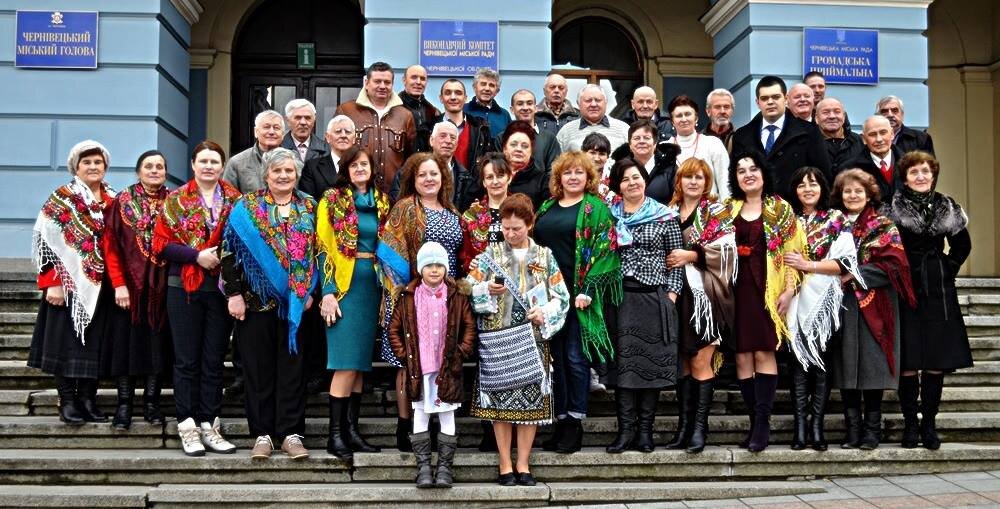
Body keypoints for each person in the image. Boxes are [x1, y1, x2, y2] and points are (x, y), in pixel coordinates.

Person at [466, 193, 570, 486]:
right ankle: (504, 463)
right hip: (498, 337)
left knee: (529, 406)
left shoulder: (545, 257)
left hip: (532, 337)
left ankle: (523, 463)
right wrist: (486, 288)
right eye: (506, 228)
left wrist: (544, 312)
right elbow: (467, 288)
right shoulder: (489, 256)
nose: (510, 234)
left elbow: (561, 297)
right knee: (500, 404)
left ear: (530, 224)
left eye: (517, 228)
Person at [221, 147, 316, 461]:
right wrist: (234, 294)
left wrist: (312, 289)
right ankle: (262, 435)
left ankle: (291, 434)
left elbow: (321, 253)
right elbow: (228, 251)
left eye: (289, 171)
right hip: (254, 303)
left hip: (296, 306)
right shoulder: (246, 206)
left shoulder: (310, 207)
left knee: (293, 370)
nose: (284, 176)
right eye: (277, 171)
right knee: (258, 370)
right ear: (266, 174)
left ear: (296, 174)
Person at [153, 140, 241, 456]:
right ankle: (188, 425)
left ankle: (210, 423)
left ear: (222, 166)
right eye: (202, 161)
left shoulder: (235, 200)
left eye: (214, 161)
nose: (208, 166)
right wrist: (196, 256)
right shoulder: (175, 200)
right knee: (187, 360)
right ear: (193, 165)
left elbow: (242, 243)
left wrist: (220, 259)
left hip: (220, 290)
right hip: (184, 288)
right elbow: (161, 244)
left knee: (214, 359)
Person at [534, 151, 621, 454]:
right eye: (567, 172)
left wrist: (588, 288)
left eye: (579, 173)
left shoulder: (596, 209)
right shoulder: (546, 207)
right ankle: (559, 422)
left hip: (578, 298)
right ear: (558, 177)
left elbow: (605, 251)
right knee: (553, 362)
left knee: (574, 359)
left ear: (588, 177)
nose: (573, 177)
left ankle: (574, 424)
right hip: (547, 300)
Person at [886, 151, 973, 450]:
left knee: (935, 359)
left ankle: (929, 425)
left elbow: (963, 244)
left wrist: (947, 267)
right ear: (905, 176)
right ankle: (910, 424)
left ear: (933, 174)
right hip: (905, 283)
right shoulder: (892, 207)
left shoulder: (947, 206)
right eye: (914, 172)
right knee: (909, 359)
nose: (921, 176)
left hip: (937, 288)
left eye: (925, 171)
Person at [377, 152, 463, 452]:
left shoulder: (452, 211)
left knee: (439, 359)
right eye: (422, 174)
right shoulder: (404, 209)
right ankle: (406, 426)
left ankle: (441, 425)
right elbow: (389, 254)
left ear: (443, 178)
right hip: (412, 298)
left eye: (434, 174)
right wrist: (406, 296)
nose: (429, 179)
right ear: (413, 180)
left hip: (446, 299)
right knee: (409, 362)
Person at [30, 140, 116, 426]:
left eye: (98, 162)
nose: (93, 167)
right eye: (87, 162)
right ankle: (67, 400)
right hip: (66, 287)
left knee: (95, 345)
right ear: (76, 167)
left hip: (101, 288)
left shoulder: (113, 199)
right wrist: (52, 282)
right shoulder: (61, 199)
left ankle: (88, 399)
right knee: (64, 343)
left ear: (105, 166)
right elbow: (46, 242)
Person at [829, 169, 916, 450]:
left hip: (873, 304)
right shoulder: (831, 225)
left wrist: (856, 274)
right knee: (845, 367)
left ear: (869, 195)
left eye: (858, 191)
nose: (852, 195)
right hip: (840, 303)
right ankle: (852, 430)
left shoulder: (883, 225)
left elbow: (895, 264)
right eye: (847, 191)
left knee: (871, 367)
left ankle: (871, 431)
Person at [727, 151, 805, 452]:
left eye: (753, 169)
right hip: (736, 291)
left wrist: (788, 290)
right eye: (741, 170)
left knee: (763, 353)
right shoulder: (726, 209)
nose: (748, 174)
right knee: (743, 357)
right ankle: (752, 419)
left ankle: (762, 423)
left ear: (764, 174)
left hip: (767, 290)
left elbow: (794, 253)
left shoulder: (779, 209)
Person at [605, 158, 683, 454]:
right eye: (625, 179)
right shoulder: (609, 216)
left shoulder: (664, 216)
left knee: (650, 368)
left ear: (645, 179)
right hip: (620, 298)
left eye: (636, 177)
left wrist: (671, 297)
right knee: (624, 367)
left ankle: (645, 433)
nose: (632, 183)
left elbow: (676, 260)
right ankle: (625, 432)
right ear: (618, 185)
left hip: (654, 298)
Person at [315, 145, 389, 461]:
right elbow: (322, 246)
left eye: (365, 164)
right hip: (344, 287)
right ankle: (335, 435)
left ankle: (352, 431)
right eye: (354, 164)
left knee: (360, 364)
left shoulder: (383, 201)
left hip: (372, 286)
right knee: (345, 362)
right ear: (345, 169)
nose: (360, 169)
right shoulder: (331, 200)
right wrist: (328, 292)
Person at [782, 167, 861, 451]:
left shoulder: (835, 219)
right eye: (802, 185)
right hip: (792, 298)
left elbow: (845, 263)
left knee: (821, 363)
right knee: (798, 364)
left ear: (822, 188)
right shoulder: (786, 220)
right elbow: (778, 259)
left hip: (825, 299)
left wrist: (809, 266)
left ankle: (817, 426)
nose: (807, 190)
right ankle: (800, 428)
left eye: (813, 184)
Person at [388, 242, 476, 489]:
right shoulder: (408, 296)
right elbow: (394, 329)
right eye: (429, 265)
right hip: (420, 369)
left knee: (447, 414)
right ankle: (424, 468)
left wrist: (460, 352)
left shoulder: (456, 296)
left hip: (447, 369)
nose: (435, 270)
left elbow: (469, 326)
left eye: (439, 265)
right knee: (421, 414)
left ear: (446, 268)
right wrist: (406, 356)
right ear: (420, 268)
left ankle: (445, 468)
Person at [664, 158, 737, 454]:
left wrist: (691, 256)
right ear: (679, 181)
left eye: (699, 177)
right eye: (688, 177)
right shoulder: (666, 213)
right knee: (682, 363)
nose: (693, 182)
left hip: (706, 298)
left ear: (707, 182)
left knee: (700, 361)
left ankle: (699, 430)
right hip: (675, 295)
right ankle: (683, 429)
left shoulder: (717, 212)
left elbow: (729, 253)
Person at [101, 150, 171, 431]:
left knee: (156, 348)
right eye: (148, 166)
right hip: (127, 289)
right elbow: (112, 245)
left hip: (161, 289)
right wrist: (118, 284)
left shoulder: (174, 202)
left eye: (160, 166)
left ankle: (152, 404)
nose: (154, 171)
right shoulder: (122, 201)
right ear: (138, 171)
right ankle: (124, 405)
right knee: (125, 348)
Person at [731, 75, 831, 199]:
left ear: (786, 98)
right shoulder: (742, 135)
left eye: (776, 97)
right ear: (757, 102)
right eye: (764, 98)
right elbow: (735, 178)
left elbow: (822, 175)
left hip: (796, 209)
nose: (770, 102)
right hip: (755, 209)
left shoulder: (809, 131)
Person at [335, 61, 417, 195]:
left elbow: (410, 158)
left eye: (387, 82)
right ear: (366, 83)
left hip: (394, 194)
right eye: (377, 81)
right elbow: (336, 152)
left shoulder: (405, 115)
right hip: (354, 193)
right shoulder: (346, 111)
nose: (382, 86)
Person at [390, 122, 480, 211]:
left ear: (456, 145)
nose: (448, 141)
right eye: (443, 136)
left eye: (452, 138)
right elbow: (397, 208)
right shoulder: (408, 172)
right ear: (431, 141)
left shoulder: (467, 179)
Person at [664, 95, 730, 199]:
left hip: (710, 211)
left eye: (688, 114)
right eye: (679, 115)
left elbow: (725, 182)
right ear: (672, 121)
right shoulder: (664, 148)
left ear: (696, 118)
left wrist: (726, 212)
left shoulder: (713, 143)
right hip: (676, 211)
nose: (684, 119)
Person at [459, 153, 511, 272]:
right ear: (483, 182)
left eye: (500, 175)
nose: (495, 181)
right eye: (489, 177)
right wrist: (469, 263)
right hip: (482, 283)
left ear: (509, 177)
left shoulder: (521, 210)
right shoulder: (470, 215)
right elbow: (464, 256)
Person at [610, 120, 681, 205]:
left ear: (655, 143)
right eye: (637, 138)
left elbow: (678, 198)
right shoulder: (619, 168)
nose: (641, 141)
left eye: (646, 138)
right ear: (630, 145)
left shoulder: (670, 167)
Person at [437, 79, 495, 171]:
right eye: (448, 93)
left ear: (465, 98)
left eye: (458, 93)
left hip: (472, 184)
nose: (453, 97)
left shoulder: (481, 128)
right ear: (441, 98)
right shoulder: (429, 128)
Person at [223, 109, 285, 193]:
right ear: (256, 132)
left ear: (283, 134)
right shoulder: (237, 163)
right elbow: (229, 200)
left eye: (276, 128)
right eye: (266, 127)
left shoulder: (293, 161)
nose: (271, 132)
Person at [846, 115, 904, 202]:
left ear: (892, 134)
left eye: (883, 132)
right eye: (872, 134)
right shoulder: (849, 170)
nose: (879, 139)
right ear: (864, 139)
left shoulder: (910, 165)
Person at [298, 115, 357, 201]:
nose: (343, 135)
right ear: (328, 137)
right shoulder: (312, 167)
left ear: (354, 138)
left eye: (348, 132)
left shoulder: (363, 167)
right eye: (338, 132)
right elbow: (307, 203)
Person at [556, 84, 630, 152]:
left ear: (605, 102)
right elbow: (557, 163)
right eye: (588, 100)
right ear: (578, 104)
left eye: (598, 100)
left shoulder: (623, 129)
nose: (593, 104)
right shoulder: (566, 131)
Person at [510, 88, 562, 173]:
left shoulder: (549, 138)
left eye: (529, 103)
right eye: (520, 104)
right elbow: (501, 169)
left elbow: (554, 171)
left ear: (536, 108)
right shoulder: (502, 137)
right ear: (512, 110)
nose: (525, 108)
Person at [502, 121, 551, 209]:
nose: (519, 149)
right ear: (504, 148)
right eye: (513, 144)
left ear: (531, 150)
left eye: (524, 146)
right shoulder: (492, 174)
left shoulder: (542, 181)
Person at [399, 64, 441, 152]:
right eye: (414, 77)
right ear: (404, 80)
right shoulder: (394, 108)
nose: (418, 82)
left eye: (422, 79)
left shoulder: (434, 112)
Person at [816, 98, 864, 174]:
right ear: (816, 118)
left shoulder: (857, 140)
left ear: (844, 116)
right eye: (826, 112)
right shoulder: (810, 142)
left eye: (837, 112)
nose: (832, 116)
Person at [465, 68, 512, 139]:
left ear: (497, 91)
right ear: (475, 87)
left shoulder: (504, 115)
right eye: (483, 84)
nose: (487, 88)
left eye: (492, 85)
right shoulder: (463, 110)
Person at [281, 98, 329, 163]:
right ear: (288, 120)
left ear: (314, 120)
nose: (303, 122)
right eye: (297, 118)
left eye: (307, 118)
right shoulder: (278, 148)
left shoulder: (327, 150)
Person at [702, 88, 736, 154]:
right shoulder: (699, 140)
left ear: (732, 111)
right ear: (708, 111)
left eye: (726, 107)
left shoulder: (742, 138)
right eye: (717, 107)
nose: (722, 111)